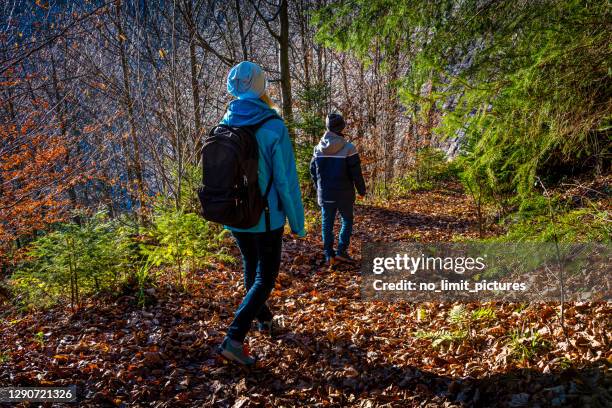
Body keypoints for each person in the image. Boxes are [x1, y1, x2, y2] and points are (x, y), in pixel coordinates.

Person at [218, 61, 305, 366]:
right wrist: (297, 222)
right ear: (261, 87)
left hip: (236, 216)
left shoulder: (225, 123)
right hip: (265, 218)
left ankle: (264, 319)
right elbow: (286, 180)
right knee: (265, 278)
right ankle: (234, 338)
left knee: (251, 267)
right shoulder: (273, 127)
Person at [310, 113, 366, 267]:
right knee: (347, 221)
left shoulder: (317, 149)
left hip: (326, 193)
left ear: (327, 127)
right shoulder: (349, 148)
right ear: (342, 127)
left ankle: (329, 255)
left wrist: (319, 188)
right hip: (345, 194)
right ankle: (341, 251)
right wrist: (362, 190)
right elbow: (356, 173)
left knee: (327, 224)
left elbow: (313, 172)